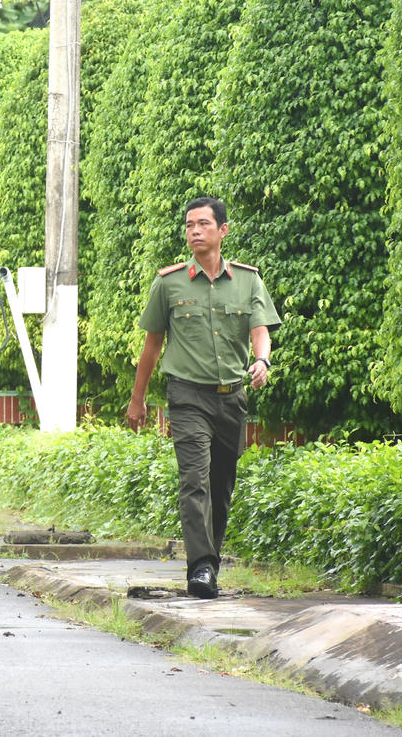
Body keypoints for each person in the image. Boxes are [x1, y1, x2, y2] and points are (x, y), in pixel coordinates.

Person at [126, 196, 280, 600]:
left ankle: (211, 562)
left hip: (232, 398)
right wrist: (137, 399)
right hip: (187, 395)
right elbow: (152, 345)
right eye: (190, 224)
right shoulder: (169, 283)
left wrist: (262, 360)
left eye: (203, 224)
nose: (195, 231)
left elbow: (260, 328)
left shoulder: (249, 281)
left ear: (222, 231)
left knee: (221, 485)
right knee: (194, 479)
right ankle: (201, 570)